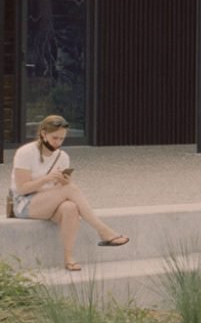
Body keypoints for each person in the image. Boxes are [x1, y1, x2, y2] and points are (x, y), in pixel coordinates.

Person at [11, 115, 130, 271]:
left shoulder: (62, 156)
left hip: (49, 202)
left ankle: (69, 258)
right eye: (55, 138)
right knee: (70, 189)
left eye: (62, 139)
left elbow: (62, 189)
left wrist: (64, 181)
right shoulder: (26, 152)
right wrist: (46, 179)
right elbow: (22, 189)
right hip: (24, 203)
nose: (58, 143)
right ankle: (103, 230)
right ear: (43, 133)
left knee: (70, 207)